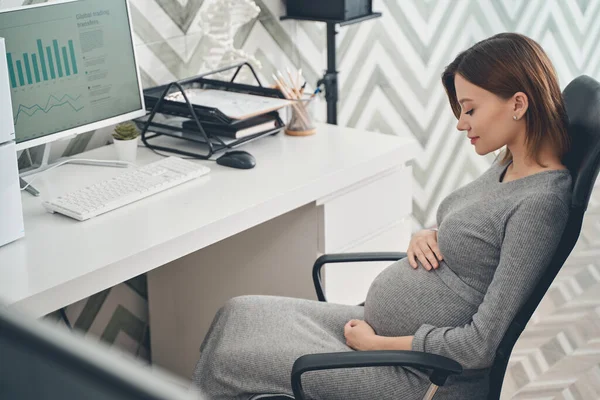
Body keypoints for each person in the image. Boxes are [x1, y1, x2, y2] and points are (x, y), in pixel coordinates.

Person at [191, 32, 572, 400]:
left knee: (232, 358)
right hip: (383, 343)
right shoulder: (510, 164)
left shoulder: (540, 204)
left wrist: (376, 344)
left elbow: (480, 345)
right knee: (238, 313)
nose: (460, 123)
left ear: (518, 105)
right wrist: (430, 233)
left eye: (470, 109)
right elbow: (480, 232)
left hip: (422, 376)